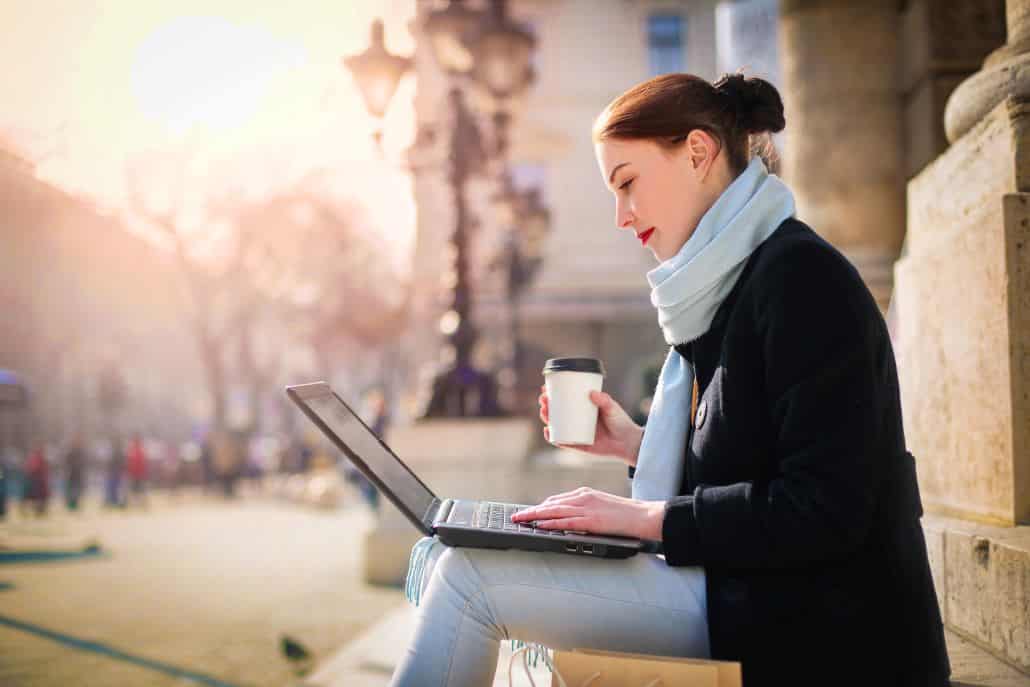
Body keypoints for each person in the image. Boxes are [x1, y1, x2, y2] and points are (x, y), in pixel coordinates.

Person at [389, 73, 949, 687]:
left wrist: (645, 519)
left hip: (824, 624)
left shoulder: (799, 279)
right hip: (759, 592)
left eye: (627, 183)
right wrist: (633, 444)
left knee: (472, 581)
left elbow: (824, 508)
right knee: (461, 553)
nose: (621, 218)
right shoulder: (734, 281)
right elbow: (753, 458)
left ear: (699, 153)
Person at [63, 435, 87, 511]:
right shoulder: (70, 452)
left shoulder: (81, 452)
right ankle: (71, 506)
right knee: (71, 490)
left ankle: (75, 505)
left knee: (77, 491)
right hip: (71, 474)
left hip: (78, 474)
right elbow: (66, 463)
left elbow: (84, 463)